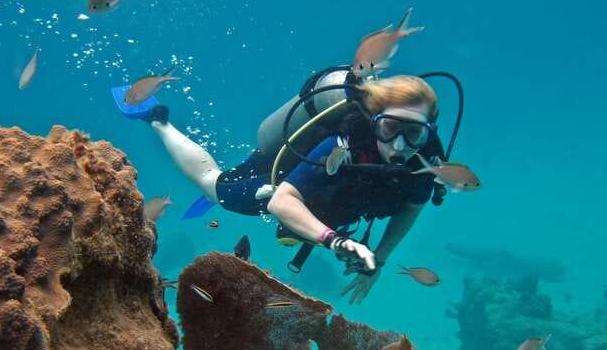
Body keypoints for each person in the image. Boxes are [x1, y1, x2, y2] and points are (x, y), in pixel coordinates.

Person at [147, 74, 443, 304]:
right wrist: (335, 241)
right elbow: (280, 202)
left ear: (428, 134)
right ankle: (158, 121)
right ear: (375, 121)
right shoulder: (343, 144)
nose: (400, 145)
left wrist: (378, 259)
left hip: (329, 209)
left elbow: (411, 208)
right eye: (390, 129)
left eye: (414, 133)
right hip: (284, 178)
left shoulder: (424, 166)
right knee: (216, 187)